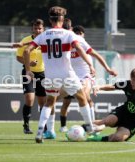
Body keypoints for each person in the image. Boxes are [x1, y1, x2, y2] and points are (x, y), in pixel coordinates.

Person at [23, 6, 99, 143]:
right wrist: (90, 64)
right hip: (67, 74)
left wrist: (28, 70)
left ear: (50, 20)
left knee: (49, 102)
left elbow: (26, 51)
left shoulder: (43, 35)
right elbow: (80, 49)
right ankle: (91, 130)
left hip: (50, 75)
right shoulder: (68, 34)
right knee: (82, 98)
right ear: (62, 19)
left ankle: (40, 132)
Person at [59, 24, 118, 132]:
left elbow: (96, 55)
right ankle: (56, 127)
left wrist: (108, 69)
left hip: (85, 75)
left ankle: (91, 125)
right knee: (60, 100)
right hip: (71, 77)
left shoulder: (80, 41)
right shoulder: (62, 43)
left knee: (85, 95)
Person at [88, 68, 135, 142]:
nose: (131, 83)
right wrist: (99, 87)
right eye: (131, 80)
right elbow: (114, 86)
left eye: (134, 81)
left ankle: (98, 138)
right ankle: (82, 128)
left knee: (118, 138)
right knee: (107, 121)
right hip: (122, 112)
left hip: (133, 122)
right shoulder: (129, 84)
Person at [14, 18, 47, 134]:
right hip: (28, 73)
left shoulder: (46, 41)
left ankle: (44, 127)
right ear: (32, 29)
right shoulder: (26, 40)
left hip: (42, 74)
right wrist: (28, 64)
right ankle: (26, 126)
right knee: (29, 99)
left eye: (40, 28)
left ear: (43, 29)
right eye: (35, 28)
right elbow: (18, 57)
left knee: (43, 101)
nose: (38, 30)